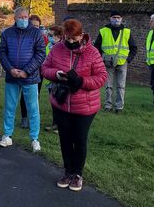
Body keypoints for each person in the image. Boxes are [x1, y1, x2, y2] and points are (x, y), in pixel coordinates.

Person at [41, 19, 107, 192]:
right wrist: (56, 74)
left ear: (81, 35)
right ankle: (68, 171)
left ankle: (77, 174)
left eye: (74, 38)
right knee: (65, 139)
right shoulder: (57, 49)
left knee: (79, 139)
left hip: (85, 105)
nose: (70, 42)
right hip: (62, 103)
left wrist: (81, 81)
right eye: (67, 38)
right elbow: (45, 68)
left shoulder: (92, 52)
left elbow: (102, 77)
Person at [0, 7, 46, 152]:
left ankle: (35, 138)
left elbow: (40, 54)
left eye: (26, 17)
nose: (24, 19)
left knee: (33, 108)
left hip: (30, 77)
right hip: (12, 76)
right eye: (21, 17)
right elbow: (2, 52)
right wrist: (10, 69)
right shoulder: (7, 33)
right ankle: (7, 135)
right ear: (15, 18)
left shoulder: (36, 33)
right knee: (10, 107)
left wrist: (26, 71)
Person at [94, 11, 137, 113]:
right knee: (108, 86)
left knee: (121, 86)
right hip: (107, 63)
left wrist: (128, 59)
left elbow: (134, 48)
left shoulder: (127, 32)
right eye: (114, 17)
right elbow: (97, 47)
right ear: (110, 18)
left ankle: (119, 107)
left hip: (122, 63)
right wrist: (101, 59)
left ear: (121, 19)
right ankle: (108, 106)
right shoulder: (103, 31)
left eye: (118, 17)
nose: (116, 19)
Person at [43, 25, 64, 132]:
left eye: (51, 35)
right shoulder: (48, 46)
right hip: (50, 80)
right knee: (54, 103)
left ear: (59, 36)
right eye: (48, 35)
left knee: (60, 103)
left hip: (59, 79)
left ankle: (61, 126)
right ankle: (55, 124)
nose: (49, 37)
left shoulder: (62, 47)